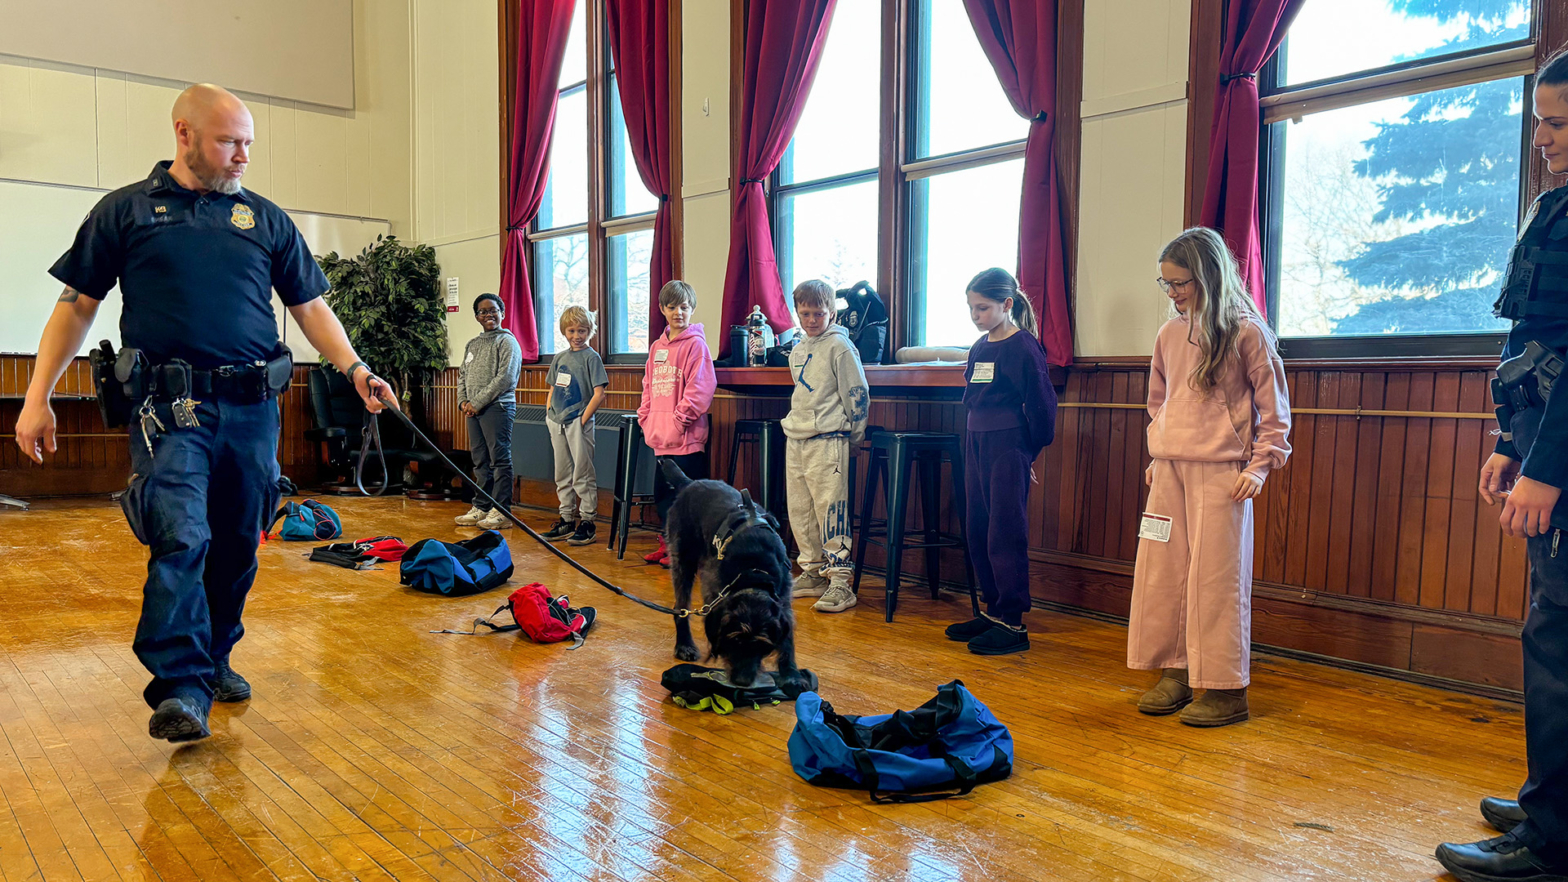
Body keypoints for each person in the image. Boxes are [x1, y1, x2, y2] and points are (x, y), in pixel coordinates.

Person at [11, 84, 395, 743]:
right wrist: (37, 395)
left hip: (252, 411)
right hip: (169, 411)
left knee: (240, 544)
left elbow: (309, 308)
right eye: (229, 141)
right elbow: (77, 304)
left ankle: (214, 657)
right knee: (181, 535)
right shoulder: (126, 213)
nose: (243, 154)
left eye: (248, 141)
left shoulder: (265, 220)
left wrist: (355, 368)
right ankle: (181, 687)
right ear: (183, 133)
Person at [1436, 50, 1568, 882]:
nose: (1542, 139)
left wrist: (1547, 468)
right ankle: (1553, 799)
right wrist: (1507, 441)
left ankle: (1552, 841)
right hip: (1543, 441)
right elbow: (1531, 345)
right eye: (1541, 123)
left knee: (1558, 644)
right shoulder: (1553, 206)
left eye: (1558, 124)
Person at [1125, 227, 1290, 728]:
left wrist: (1260, 467)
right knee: (1164, 573)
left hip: (1225, 473)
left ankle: (1224, 689)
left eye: (1181, 283)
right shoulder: (1169, 334)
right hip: (1170, 470)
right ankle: (1176, 671)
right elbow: (1160, 404)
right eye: (1165, 284)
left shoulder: (1247, 332)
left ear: (1209, 276)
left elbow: (1274, 413)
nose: (1172, 293)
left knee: (1217, 580)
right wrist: (1160, 452)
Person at [943, 268, 1057, 655]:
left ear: (1007, 305)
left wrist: (1027, 452)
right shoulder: (979, 347)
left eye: (983, 308)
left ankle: (1012, 621)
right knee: (978, 526)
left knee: (1004, 530)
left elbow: (1042, 407)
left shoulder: (1024, 347)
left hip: (1008, 445)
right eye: (972, 308)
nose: (976, 316)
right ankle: (991, 609)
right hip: (975, 441)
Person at [782, 280, 870, 613]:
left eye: (819, 313)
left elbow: (857, 394)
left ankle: (839, 581)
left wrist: (855, 436)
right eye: (805, 313)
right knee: (801, 511)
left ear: (832, 312)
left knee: (831, 511)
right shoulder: (799, 348)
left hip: (829, 439)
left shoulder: (840, 348)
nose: (812, 320)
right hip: (797, 438)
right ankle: (812, 571)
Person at [637, 280, 716, 568]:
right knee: (664, 496)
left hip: (686, 439)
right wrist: (646, 418)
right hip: (659, 439)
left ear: (692, 309)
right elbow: (648, 386)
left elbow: (701, 389)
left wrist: (679, 421)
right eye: (672, 307)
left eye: (684, 307)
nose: (678, 312)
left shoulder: (696, 346)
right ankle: (669, 543)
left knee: (687, 498)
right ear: (662, 309)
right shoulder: (657, 347)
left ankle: (686, 550)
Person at [540, 305, 609, 546]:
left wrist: (582, 420)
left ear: (590, 331)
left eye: (582, 330)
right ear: (564, 331)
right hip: (557, 421)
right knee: (562, 472)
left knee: (582, 472)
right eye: (571, 330)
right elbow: (552, 387)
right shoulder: (560, 357)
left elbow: (599, 393)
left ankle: (587, 522)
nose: (576, 335)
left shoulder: (592, 357)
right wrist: (549, 412)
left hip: (579, 422)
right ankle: (566, 518)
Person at [453, 293, 523, 531]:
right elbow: (462, 375)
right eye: (483, 312)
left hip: (498, 407)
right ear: (476, 317)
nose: (488, 315)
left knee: (499, 459)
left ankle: (501, 510)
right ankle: (482, 505)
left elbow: (505, 378)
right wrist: (463, 401)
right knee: (480, 460)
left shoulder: (507, 342)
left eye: (493, 310)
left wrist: (478, 402)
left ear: (502, 312)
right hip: (473, 410)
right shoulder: (472, 344)